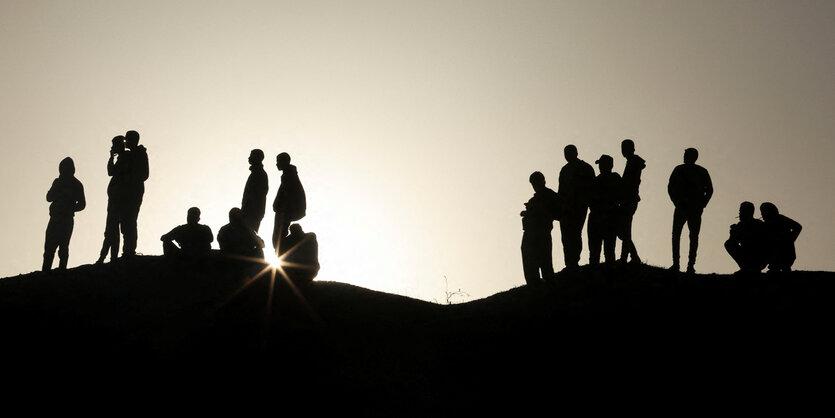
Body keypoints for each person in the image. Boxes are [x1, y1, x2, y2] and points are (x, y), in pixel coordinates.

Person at [668, 148, 713, 274]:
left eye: (687, 154)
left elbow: (709, 189)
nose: (685, 156)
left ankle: (690, 265)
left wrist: (702, 204)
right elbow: (670, 187)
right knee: (676, 235)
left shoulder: (701, 171)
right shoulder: (679, 169)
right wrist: (676, 201)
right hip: (681, 207)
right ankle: (676, 264)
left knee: (693, 237)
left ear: (694, 157)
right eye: (685, 154)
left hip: (694, 208)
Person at [43, 157, 86, 271]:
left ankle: (62, 270)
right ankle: (45, 271)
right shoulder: (57, 182)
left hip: (66, 219)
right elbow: (48, 197)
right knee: (49, 248)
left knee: (63, 246)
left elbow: (82, 204)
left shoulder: (76, 184)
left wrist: (70, 208)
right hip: (55, 218)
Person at [557, 144, 595, 269]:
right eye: (565, 153)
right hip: (566, 209)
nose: (567, 156)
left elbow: (590, 189)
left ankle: (573, 262)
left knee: (575, 234)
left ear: (576, 153)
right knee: (566, 237)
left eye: (569, 152)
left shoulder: (585, 168)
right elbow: (561, 191)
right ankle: (569, 263)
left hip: (579, 207)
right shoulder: (564, 170)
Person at [520, 171, 561, 285]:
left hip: (541, 234)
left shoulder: (550, 195)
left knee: (545, 265)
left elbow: (558, 213)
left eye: (536, 183)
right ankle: (535, 289)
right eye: (533, 184)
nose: (534, 186)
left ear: (543, 181)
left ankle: (550, 290)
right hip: (530, 235)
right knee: (530, 266)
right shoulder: (534, 199)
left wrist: (537, 212)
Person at [119, 130, 149, 257]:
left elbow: (144, 174)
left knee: (130, 220)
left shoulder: (140, 154)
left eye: (127, 140)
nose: (125, 142)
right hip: (128, 191)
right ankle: (128, 250)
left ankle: (129, 250)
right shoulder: (129, 155)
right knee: (126, 221)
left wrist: (130, 177)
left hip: (134, 191)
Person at [96, 135, 125, 264]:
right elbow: (110, 171)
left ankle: (109, 257)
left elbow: (112, 172)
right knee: (111, 229)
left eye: (114, 145)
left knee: (112, 229)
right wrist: (111, 158)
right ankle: (106, 256)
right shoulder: (121, 158)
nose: (113, 148)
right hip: (114, 199)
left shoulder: (125, 158)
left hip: (119, 199)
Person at [588, 155, 621, 265]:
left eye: (602, 164)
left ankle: (607, 276)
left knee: (608, 251)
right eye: (600, 164)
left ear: (610, 165)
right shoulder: (597, 180)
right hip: (599, 218)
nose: (600, 167)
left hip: (608, 217)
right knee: (595, 252)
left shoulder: (614, 178)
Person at [617, 139, 645, 264]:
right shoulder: (632, 162)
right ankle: (627, 257)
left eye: (625, 148)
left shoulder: (633, 162)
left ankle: (632, 257)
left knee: (624, 230)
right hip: (628, 199)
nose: (623, 151)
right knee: (624, 229)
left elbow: (630, 183)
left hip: (629, 200)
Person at [272, 152, 306, 252]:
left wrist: (279, 205)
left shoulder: (289, 176)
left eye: (278, 161)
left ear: (284, 162)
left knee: (277, 238)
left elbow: (287, 194)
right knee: (278, 238)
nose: (276, 164)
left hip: (285, 211)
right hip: (283, 210)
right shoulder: (288, 175)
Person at [724, 202, 768, 274]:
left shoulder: (758, 224)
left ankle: (749, 268)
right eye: (740, 212)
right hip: (747, 256)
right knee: (728, 244)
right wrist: (733, 233)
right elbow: (732, 242)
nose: (740, 214)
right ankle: (746, 268)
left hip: (759, 258)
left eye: (742, 211)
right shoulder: (740, 226)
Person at [760, 202, 802, 273]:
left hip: (786, 254)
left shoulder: (780, 219)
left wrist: (790, 240)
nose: (762, 215)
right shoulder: (766, 225)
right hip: (776, 257)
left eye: (763, 212)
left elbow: (797, 227)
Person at [241, 149, 269, 233]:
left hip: (252, 212)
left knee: (248, 235)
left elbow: (258, 195)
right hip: (250, 211)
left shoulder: (259, 174)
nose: (249, 158)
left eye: (251, 156)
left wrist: (246, 210)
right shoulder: (256, 173)